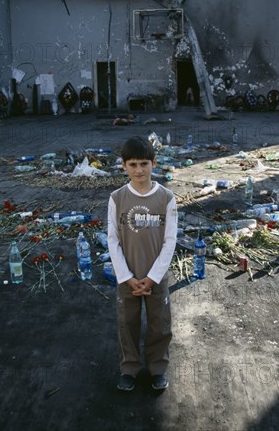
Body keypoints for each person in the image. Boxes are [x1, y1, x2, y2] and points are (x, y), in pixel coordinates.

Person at [108, 135, 177, 392]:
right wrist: (126, 276)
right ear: (123, 165)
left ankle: (157, 368)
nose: (139, 170)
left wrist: (153, 277)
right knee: (127, 324)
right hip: (128, 276)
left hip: (155, 277)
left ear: (154, 163)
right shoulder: (116, 198)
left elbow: (170, 241)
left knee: (159, 324)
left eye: (144, 164)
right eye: (133, 164)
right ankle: (129, 369)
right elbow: (113, 240)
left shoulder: (167, 198)